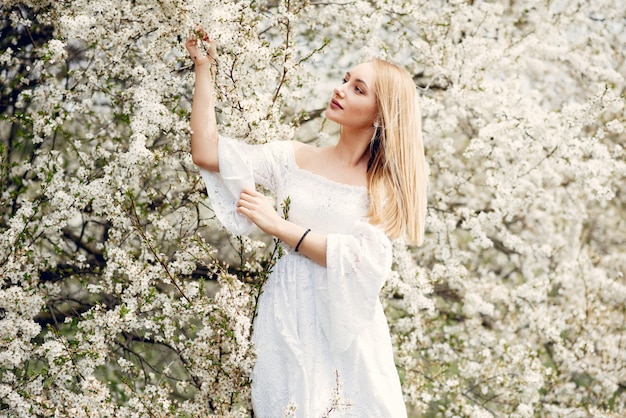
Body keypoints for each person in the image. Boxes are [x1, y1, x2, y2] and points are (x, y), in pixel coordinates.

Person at [186, 27, 427, 417]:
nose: (342, 89)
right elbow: (207, 152)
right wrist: (204, 69)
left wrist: (277, 226)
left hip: (345, 328)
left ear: (382, 114)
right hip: (286, 312)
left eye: (358, 89)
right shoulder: (290, 158)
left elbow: (362, 261)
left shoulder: (381, 187)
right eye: (346, 79)